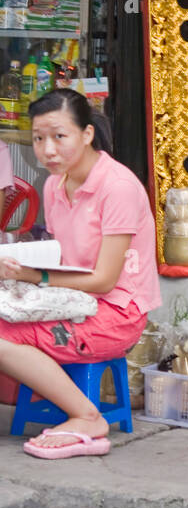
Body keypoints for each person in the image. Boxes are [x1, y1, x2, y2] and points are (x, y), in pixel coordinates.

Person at [0, 89, 161, 459]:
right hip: (74, 302)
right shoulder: (56, 185)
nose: (47, 150)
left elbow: (104, 280)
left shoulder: (117, 187)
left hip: (116, 314)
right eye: (39, 138)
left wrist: (35, 277)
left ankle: (87, 416)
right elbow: (62, 260)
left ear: (87, 134)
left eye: (59, 136)